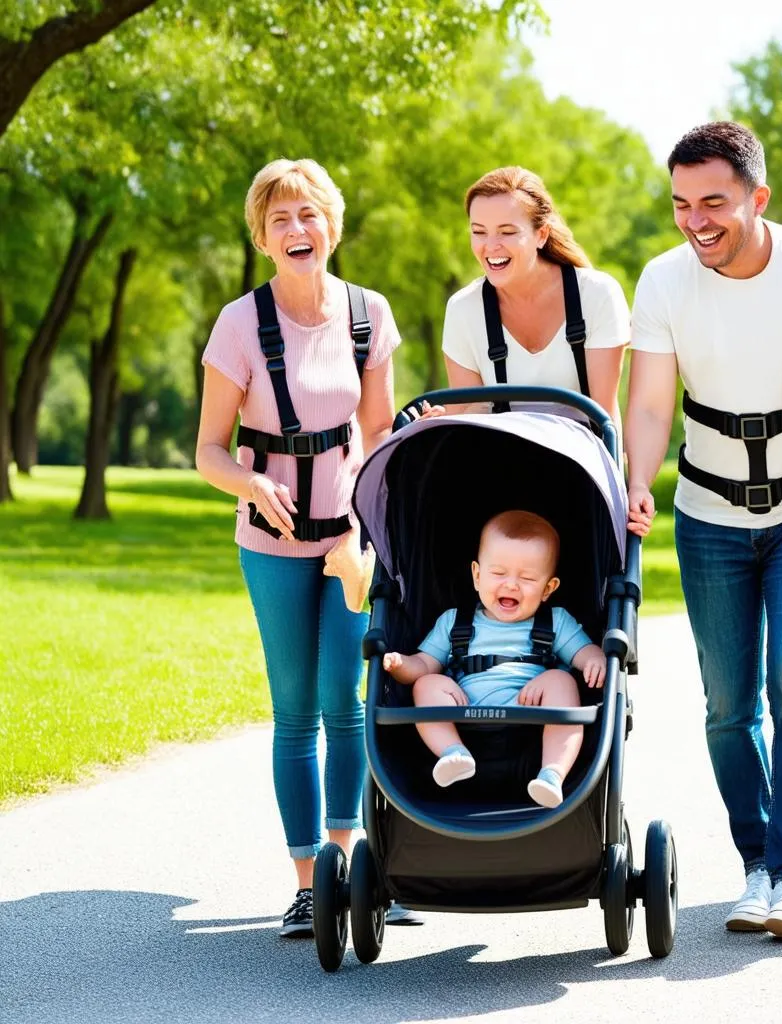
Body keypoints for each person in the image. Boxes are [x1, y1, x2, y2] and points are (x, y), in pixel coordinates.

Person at [624, 122, 782, 943]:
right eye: (681, 204)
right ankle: (758, 861)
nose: (696, 219)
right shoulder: (663, 282)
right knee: (729, 705)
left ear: (758, 198)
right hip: (709, 516)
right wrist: (636, 484)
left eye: (715, 203)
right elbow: (654, 405)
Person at [195, 158, 420, 935]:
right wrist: (252, 487)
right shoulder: (238, 324)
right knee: (295, 713)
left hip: (352, 542)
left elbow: (381, 433)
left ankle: (352, 865)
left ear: (333, 225)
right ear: (262, 236)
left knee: (347, 703)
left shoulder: (367, 314)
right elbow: (208, 451)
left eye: (310, 215)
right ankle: (306, 884)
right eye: (281, 219)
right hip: (271, 541)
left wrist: (368, 531)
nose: (298, 230)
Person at [381, 510, 606, 808]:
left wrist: (596, 657)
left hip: (531, 722)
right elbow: (422, 664)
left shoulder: (555, 622)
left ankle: (552, 773)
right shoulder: (454, 623)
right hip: (463, 716)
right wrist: (401, 665)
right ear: (476, 575)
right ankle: (452, 753)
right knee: (426, 683)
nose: (511, 585)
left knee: (561, 680)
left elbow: (584, 653)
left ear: (548, 589)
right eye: (498, 574)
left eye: (526, 578)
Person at [441, 166, 630, 422]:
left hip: (580, 457)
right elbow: (470, 419)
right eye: (478, 232)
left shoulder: (597, 295)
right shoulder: (463, 309)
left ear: (541, 235)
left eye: (507, 232)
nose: (491, 245)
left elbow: (602, 414)